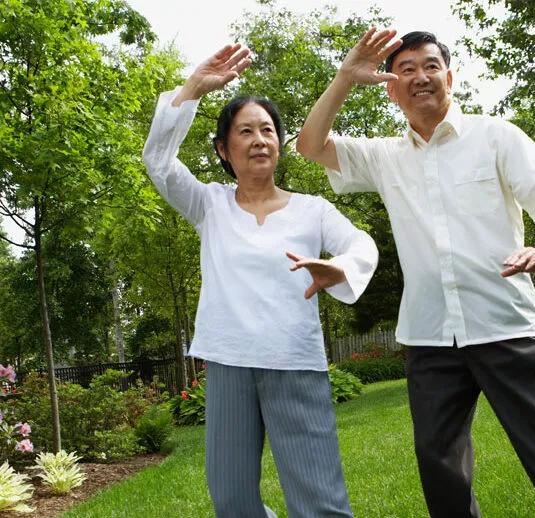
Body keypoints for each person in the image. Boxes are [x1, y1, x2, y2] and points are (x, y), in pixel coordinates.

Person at [297, 29, 535, 518]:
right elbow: (310, 144)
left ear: (450, 76)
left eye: (430, 66)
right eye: (406, 70)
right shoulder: (385, 157)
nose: (420, 77)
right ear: (391, 88)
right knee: (440, 466)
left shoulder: (495, 135)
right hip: (430, 337)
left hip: (504, 324)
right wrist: (344, 76)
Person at [143, 43, 377, 518]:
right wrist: (192, 87)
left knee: (319, 501)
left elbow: (362, 244)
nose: (258, 140)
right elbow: (160, 163)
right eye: (245, 132)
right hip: (229, 363)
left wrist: (341, 269)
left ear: (279, 143)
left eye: (267, 130)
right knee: (232, 501)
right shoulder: (208, 205)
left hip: (295, 362)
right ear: (223, 150)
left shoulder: (313, 210)